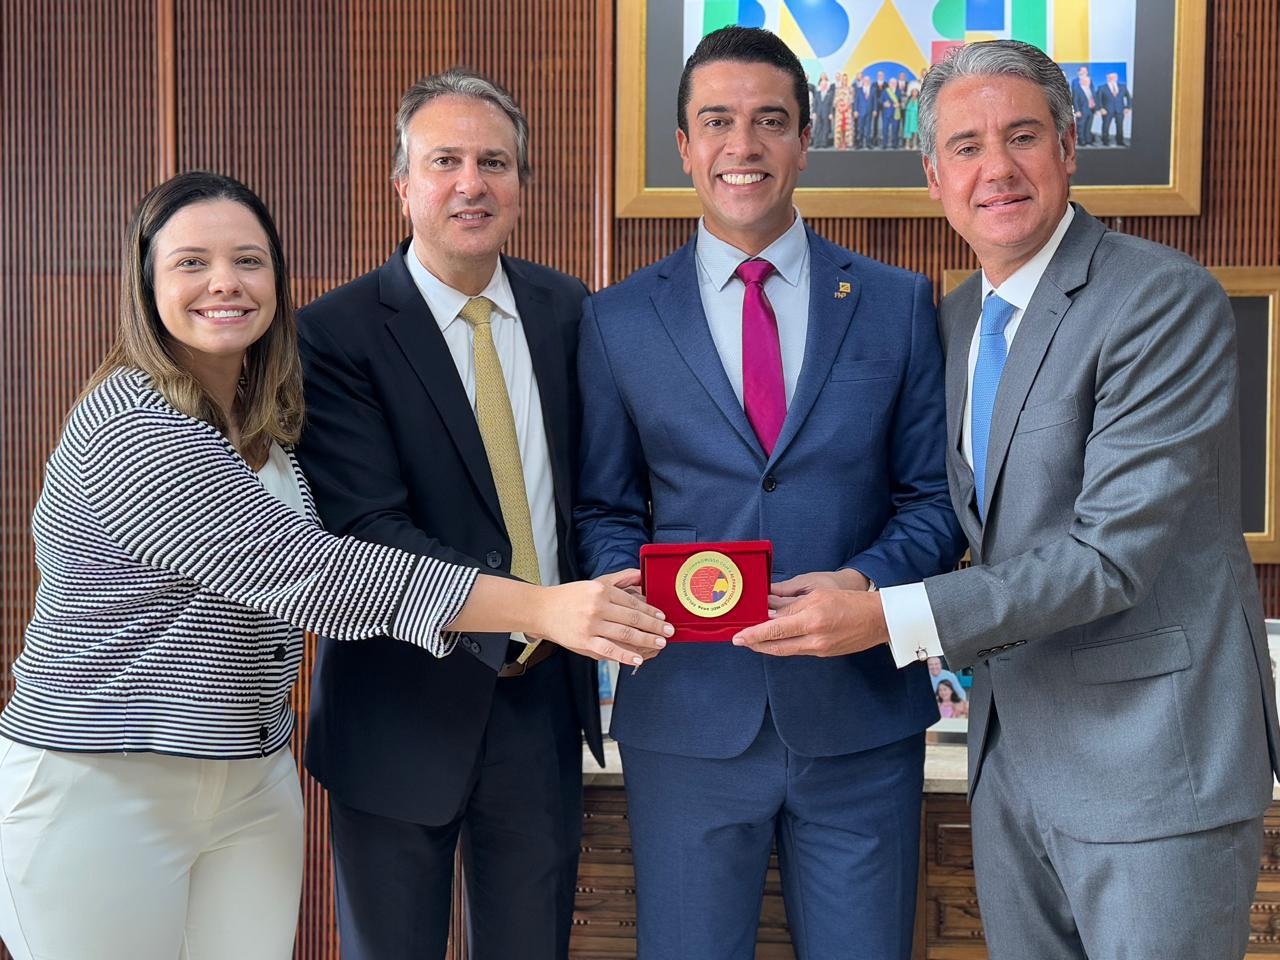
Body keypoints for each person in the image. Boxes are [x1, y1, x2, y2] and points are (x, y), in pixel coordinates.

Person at [0, 171, 670, 960]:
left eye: (248, 261)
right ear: (144, 283)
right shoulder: (132, 424)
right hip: (108, 782)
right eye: (190, 263)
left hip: (249, 776)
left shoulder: (261, 419)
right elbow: (314, 572)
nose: (224, 283)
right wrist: (541, 609)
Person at [736, 39, 1280, 960]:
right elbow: (957, 519)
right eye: (966, 146)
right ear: (934, 176)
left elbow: (1109, 557)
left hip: (1153, 769)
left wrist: (885, 614)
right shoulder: (951, 323)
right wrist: (853, 574)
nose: (997, 169)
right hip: (1009, 765)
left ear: (1069, 148)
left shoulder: (1161, 299)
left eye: (1022, 136)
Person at [575, 26, 963, 960]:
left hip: (860, 717)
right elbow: (603, 510)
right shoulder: (617, 317)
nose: (742, 146)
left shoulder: (897, 302)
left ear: (803, 141)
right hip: (688, 716)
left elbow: (934, 504)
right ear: (684, 147)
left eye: (768, 122)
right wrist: (638, 590)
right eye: (718, 121)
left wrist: (864, 589)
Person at [293, 69, 642, 960]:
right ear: (402, 183)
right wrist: (526, 607)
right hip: (396, 711)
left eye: (494, 162)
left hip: (538, 707)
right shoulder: (333, 335)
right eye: (443, 160)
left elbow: (600, 489)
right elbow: (364, 531)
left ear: (522, 188)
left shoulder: (573, 312)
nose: (470, 183)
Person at [1097, 71, 1132, 145]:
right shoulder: (1102, 87)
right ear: (1107, 78)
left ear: (1116, 78)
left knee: (1120, 126)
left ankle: (1120, 141)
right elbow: (1098, 99)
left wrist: (1128, 107)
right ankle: (1105, 141)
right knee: (1105, 126)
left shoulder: (1123, 86)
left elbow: (1129, 98)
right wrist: (1101, 108)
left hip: (1120, 110)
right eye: (1110, 77)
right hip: (1107, 110)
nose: (1112, 78)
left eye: (1114, 77)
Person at [1071, 64, 1096, 145]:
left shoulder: (1089, 81)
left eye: (1086, 71)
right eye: (1083, 71)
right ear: (1079, 72)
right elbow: (1075, 98)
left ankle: (1088, 140)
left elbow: (1093, 95)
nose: (1085, 72)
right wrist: (1077, 110)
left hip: (1091, 109)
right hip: (1081, 108)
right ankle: (1082, 141)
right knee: (1081, 125)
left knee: (1089, 126)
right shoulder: (1075, 82)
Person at [854, 72, 876, 148]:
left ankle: (868, 143)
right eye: (865, 80)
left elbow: (875, 101)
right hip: (860, 112)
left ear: (870, 81)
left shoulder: (873, 89)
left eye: (868, 80)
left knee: (868, 128)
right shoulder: (859, 90)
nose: (866, 81)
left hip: (869, 112)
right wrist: (855, 110)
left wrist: (875, 110)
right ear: (863, 81)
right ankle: (860, 143)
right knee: (860, 127)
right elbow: (856, 101)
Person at [903, 82, 921, 151]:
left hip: (915, 118)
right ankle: (907, 144)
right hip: (909, 118)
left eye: (915, 91)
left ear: (917, 92)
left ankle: (914, 144)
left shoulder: (919, 100)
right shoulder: (908, 100)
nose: (914, 93)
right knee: (908, 131)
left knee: (915, 132)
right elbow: (904, 108)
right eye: (913, 91)